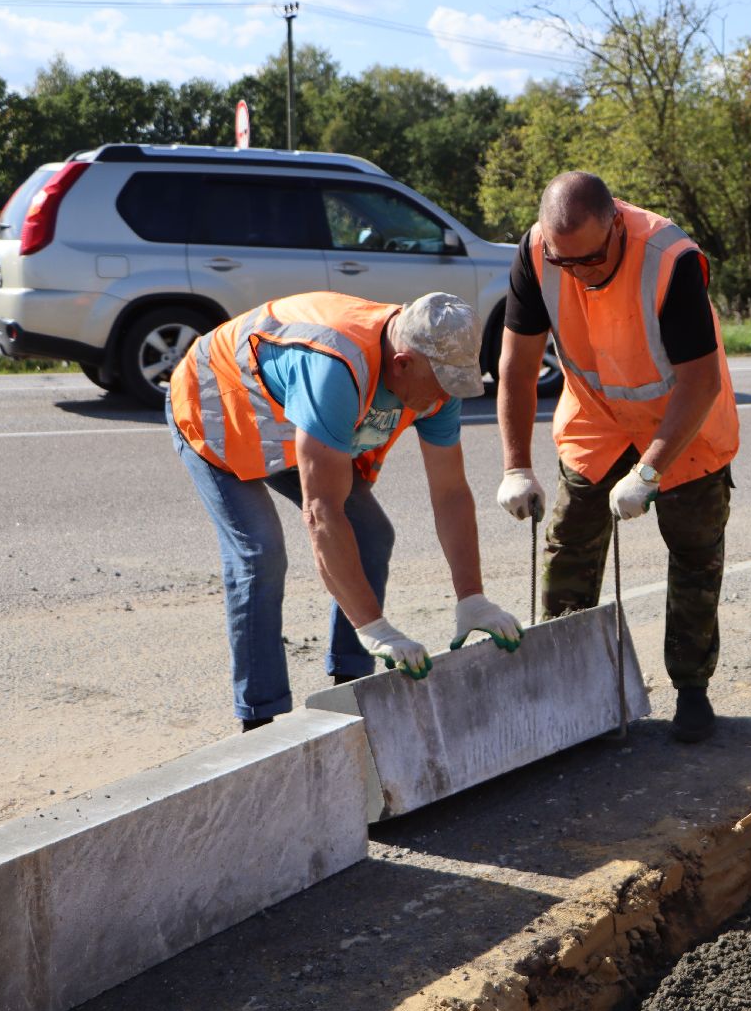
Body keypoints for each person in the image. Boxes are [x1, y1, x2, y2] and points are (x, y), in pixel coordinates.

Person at [169, 291, 522, 731]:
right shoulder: (335, 369)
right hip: (217, 405)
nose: (445, 396)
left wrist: (472, 597)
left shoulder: (435, 382)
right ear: (403, 362)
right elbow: (321, 513)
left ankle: (351, 688)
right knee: (259, 554)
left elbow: (450, 492)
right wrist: (374, 624)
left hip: (295, 420)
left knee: (372, 534)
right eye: (441, 383)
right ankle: (260, 721)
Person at [493, 172, 739, 742]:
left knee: (696, 558)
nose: (579, 273)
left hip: (685, 426)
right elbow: (517, 366)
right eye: (566, 263)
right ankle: (565, 691)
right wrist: (515, 465)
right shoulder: (536, 255)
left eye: (592, 259)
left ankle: (691, 689)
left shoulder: (669, 259)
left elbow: (699, 383)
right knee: (569, 547)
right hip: (598, 418)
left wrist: (649, 471)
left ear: (615, 226)